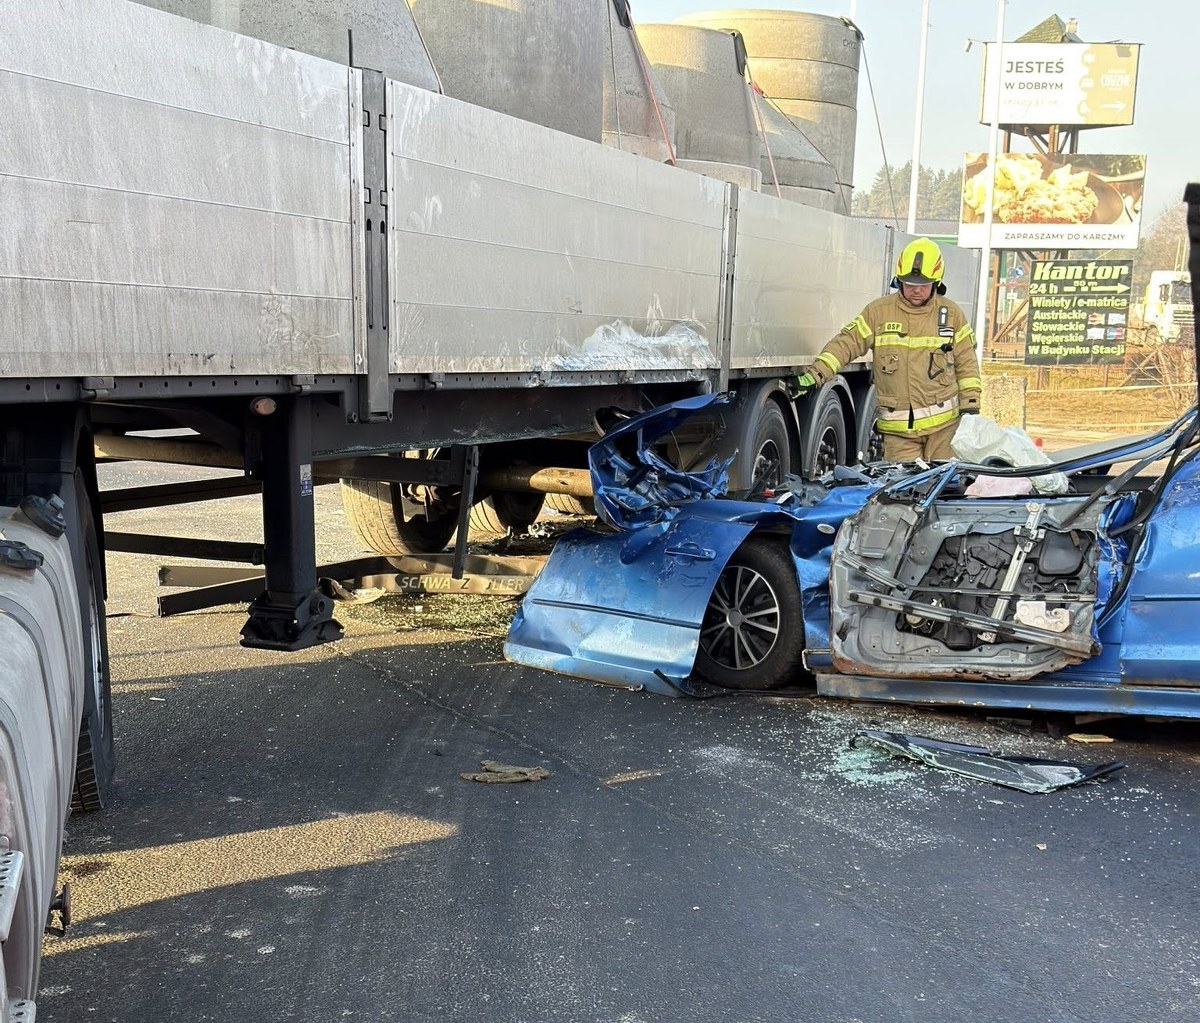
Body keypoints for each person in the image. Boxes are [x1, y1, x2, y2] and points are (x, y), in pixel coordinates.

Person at [793, 237, 982, 461]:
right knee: (903, 492)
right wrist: (816, 374)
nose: (916, 290)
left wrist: (971, 407)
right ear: (899, 281)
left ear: (936, 282)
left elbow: (967, 363)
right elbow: (847, 343)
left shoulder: (951, 315)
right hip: (899, 435)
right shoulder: (878, 312)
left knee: (945, 490)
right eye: (910, 284)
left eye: (923, 285)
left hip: (944, 431)